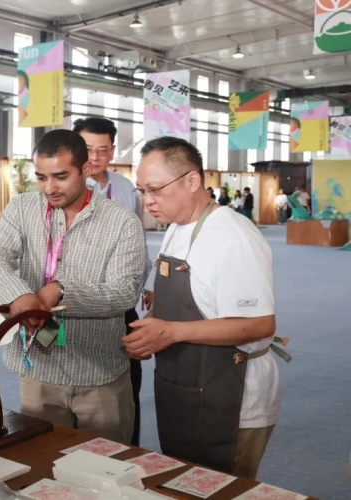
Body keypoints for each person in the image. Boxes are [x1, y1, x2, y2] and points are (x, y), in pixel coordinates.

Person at [125, 136, 280, 479]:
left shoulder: (232, 237)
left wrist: (173, 331)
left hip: (230, 396)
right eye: (142, 191)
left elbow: (258, 326)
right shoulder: (178, 228)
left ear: (192, 181)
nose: (148, 201)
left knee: (221, 485)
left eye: (156, 190)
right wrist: (152, 329)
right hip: (185, 387)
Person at [0, 129, 146, 444]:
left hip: (99, 374)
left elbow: (123, 292)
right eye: (41, 178)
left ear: (86, 169)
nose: (49, 188)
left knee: (106, 470)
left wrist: (62, 289)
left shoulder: (122, 222)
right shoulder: (23, 208)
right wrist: (20, 296)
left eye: (60, 176)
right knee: (42, 464)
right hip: (38, 369)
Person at [73, 116, 148, 447]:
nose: (95, 157)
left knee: (128, 384)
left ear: (113, 150)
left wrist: (143, 282)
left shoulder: (126, 187)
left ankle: (127, 450)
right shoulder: (60, 187)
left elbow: (139, 240)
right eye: (88, 149)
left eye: (103, 150)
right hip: (74, 301)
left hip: (120, 301)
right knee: (77, 381)